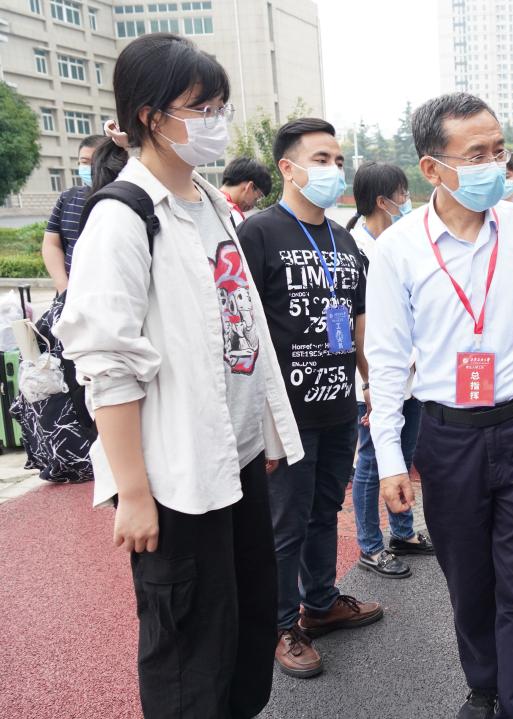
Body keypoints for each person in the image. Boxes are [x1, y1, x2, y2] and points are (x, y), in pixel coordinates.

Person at [54, 33, 303, 718]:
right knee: (190, 651)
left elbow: (240, 329)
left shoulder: (212, 203)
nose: (216, 122)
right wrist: (133, 494)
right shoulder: (122, 218)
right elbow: (106, 366)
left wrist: (264, 433)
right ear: (149, 116)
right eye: (202, 108)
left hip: (236, 460)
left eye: (221, 106)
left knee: (246, 632)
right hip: (178, 481)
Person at [365, 92, 513, 719]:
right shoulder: (398, 249)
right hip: (448, 437)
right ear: (431, 168)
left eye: (498, 151)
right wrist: (389, 459)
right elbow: (386, 362)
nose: (495, 165)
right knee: (468, 579)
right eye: (476, 154)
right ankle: (484, 684)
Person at [237, 118, 383, 680]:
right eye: (321, 160)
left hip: (338, 405)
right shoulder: (259, 234)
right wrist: (255, 417)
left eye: (338, 161)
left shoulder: (343, 240)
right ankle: (280, 624)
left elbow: (358, 319)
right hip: (285, 415)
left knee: (325, 511)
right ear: (288, 168)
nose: (333, 170)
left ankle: (319, 604)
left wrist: (371, 384)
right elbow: (240, 329)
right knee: (285, 524)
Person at [343, 161, 434, 578]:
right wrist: (368, 384)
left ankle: (402, 531)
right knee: (372, 460)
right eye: (402, 194)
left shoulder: (401, 243)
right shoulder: (355, 250)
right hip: (376, 376)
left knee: (403, 452)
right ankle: (370, 544)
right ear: (383, 201)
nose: (407, 200)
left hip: (411, 370)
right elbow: (355, 327)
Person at [42, 134, 105, 292]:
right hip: (70, 294)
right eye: (84, 162)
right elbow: (51, 244)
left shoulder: (124, 198)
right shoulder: (68, 198)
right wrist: (64, 288)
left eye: (96, 162)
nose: (90, 168)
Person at [220, 157, 272, 226]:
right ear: (250, 187)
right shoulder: (233, 214)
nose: (253, 206)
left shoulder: (208, 200)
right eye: (256, 198)